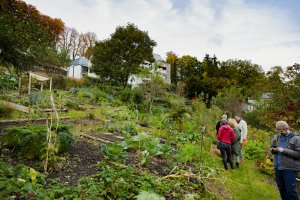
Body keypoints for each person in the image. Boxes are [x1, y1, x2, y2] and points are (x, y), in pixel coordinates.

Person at [270, 121, 300, 200]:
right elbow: (271, 148)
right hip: (278, 167)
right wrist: (274, 150)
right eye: (278, 131)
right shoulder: (276, 137)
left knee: (291, 191)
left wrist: (283, 150)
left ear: (287, 129)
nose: (280, 133)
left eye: (281, 131)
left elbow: (298, 154)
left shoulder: (296, 138)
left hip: (289, 168)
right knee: (281, 189)